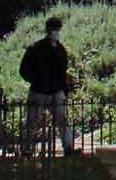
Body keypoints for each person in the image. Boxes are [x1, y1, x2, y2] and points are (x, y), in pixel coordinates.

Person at [19, 17, 77, 154]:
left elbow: (63, 71)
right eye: (54, 29)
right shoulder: (35, 48)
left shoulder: (61, 49)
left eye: (58, 29)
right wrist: (37, 80)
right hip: (39, 91)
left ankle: (68, 148)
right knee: (32, 122)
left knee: (63, 121)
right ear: (48, 30)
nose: (56, 32)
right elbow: (23, 70)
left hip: (56, 91)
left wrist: (64, 89)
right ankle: (27, 150)